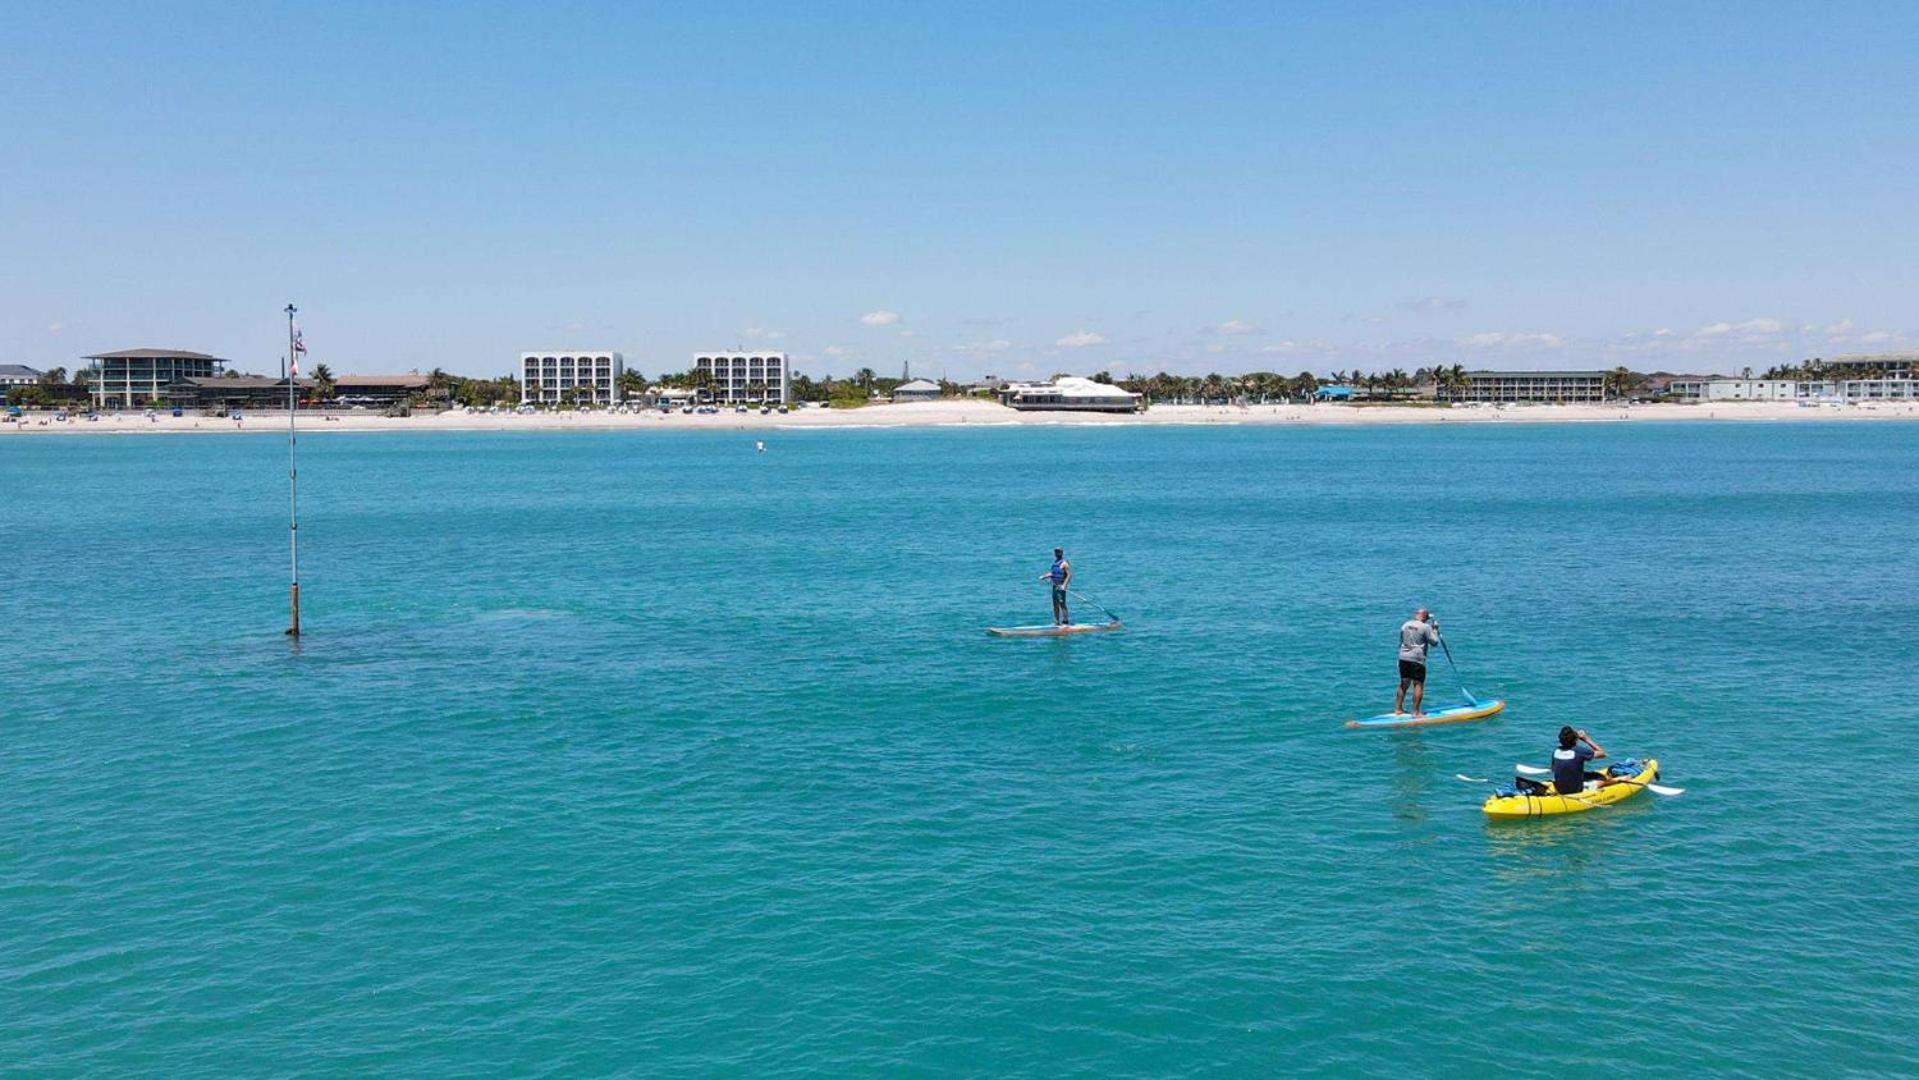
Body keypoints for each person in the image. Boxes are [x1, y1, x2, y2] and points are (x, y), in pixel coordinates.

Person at [1393, 607, 1440, 716]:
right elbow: (1434, 642)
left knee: (1404, 683)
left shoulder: (1405, 625)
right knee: (1418, 684)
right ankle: (1416, 712)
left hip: (1403, 657)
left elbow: (1401, 641)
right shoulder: (1425, 627)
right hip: (1417, 659)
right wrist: (1435, 630)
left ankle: (1398, 709)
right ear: (1424, 617)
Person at [1548, 726, 1612, 795]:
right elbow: (1603, 754)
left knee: (1587, 774)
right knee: (1604, 779)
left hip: (1560, 788)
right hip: (1575, 790)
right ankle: (1619, 779)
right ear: (1575, 739)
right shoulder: (1579, 751)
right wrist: (1586, 739)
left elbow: (1554, 769)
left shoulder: (1556, 751)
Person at [1040, 547, 1071, 625]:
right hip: (1054, 586)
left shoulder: (1064, 563)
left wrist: (1064, 585)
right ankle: (1057, 622)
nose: (1057, 553)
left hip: (1061, 586)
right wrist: (1044, 576)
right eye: (1056, 552)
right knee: (1055, 604)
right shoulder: (1055, 563)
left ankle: (1065, 621)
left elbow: (1069, 575)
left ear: (1061, 553)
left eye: (1058, 552)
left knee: (1062, 603)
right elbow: (1052, 573)